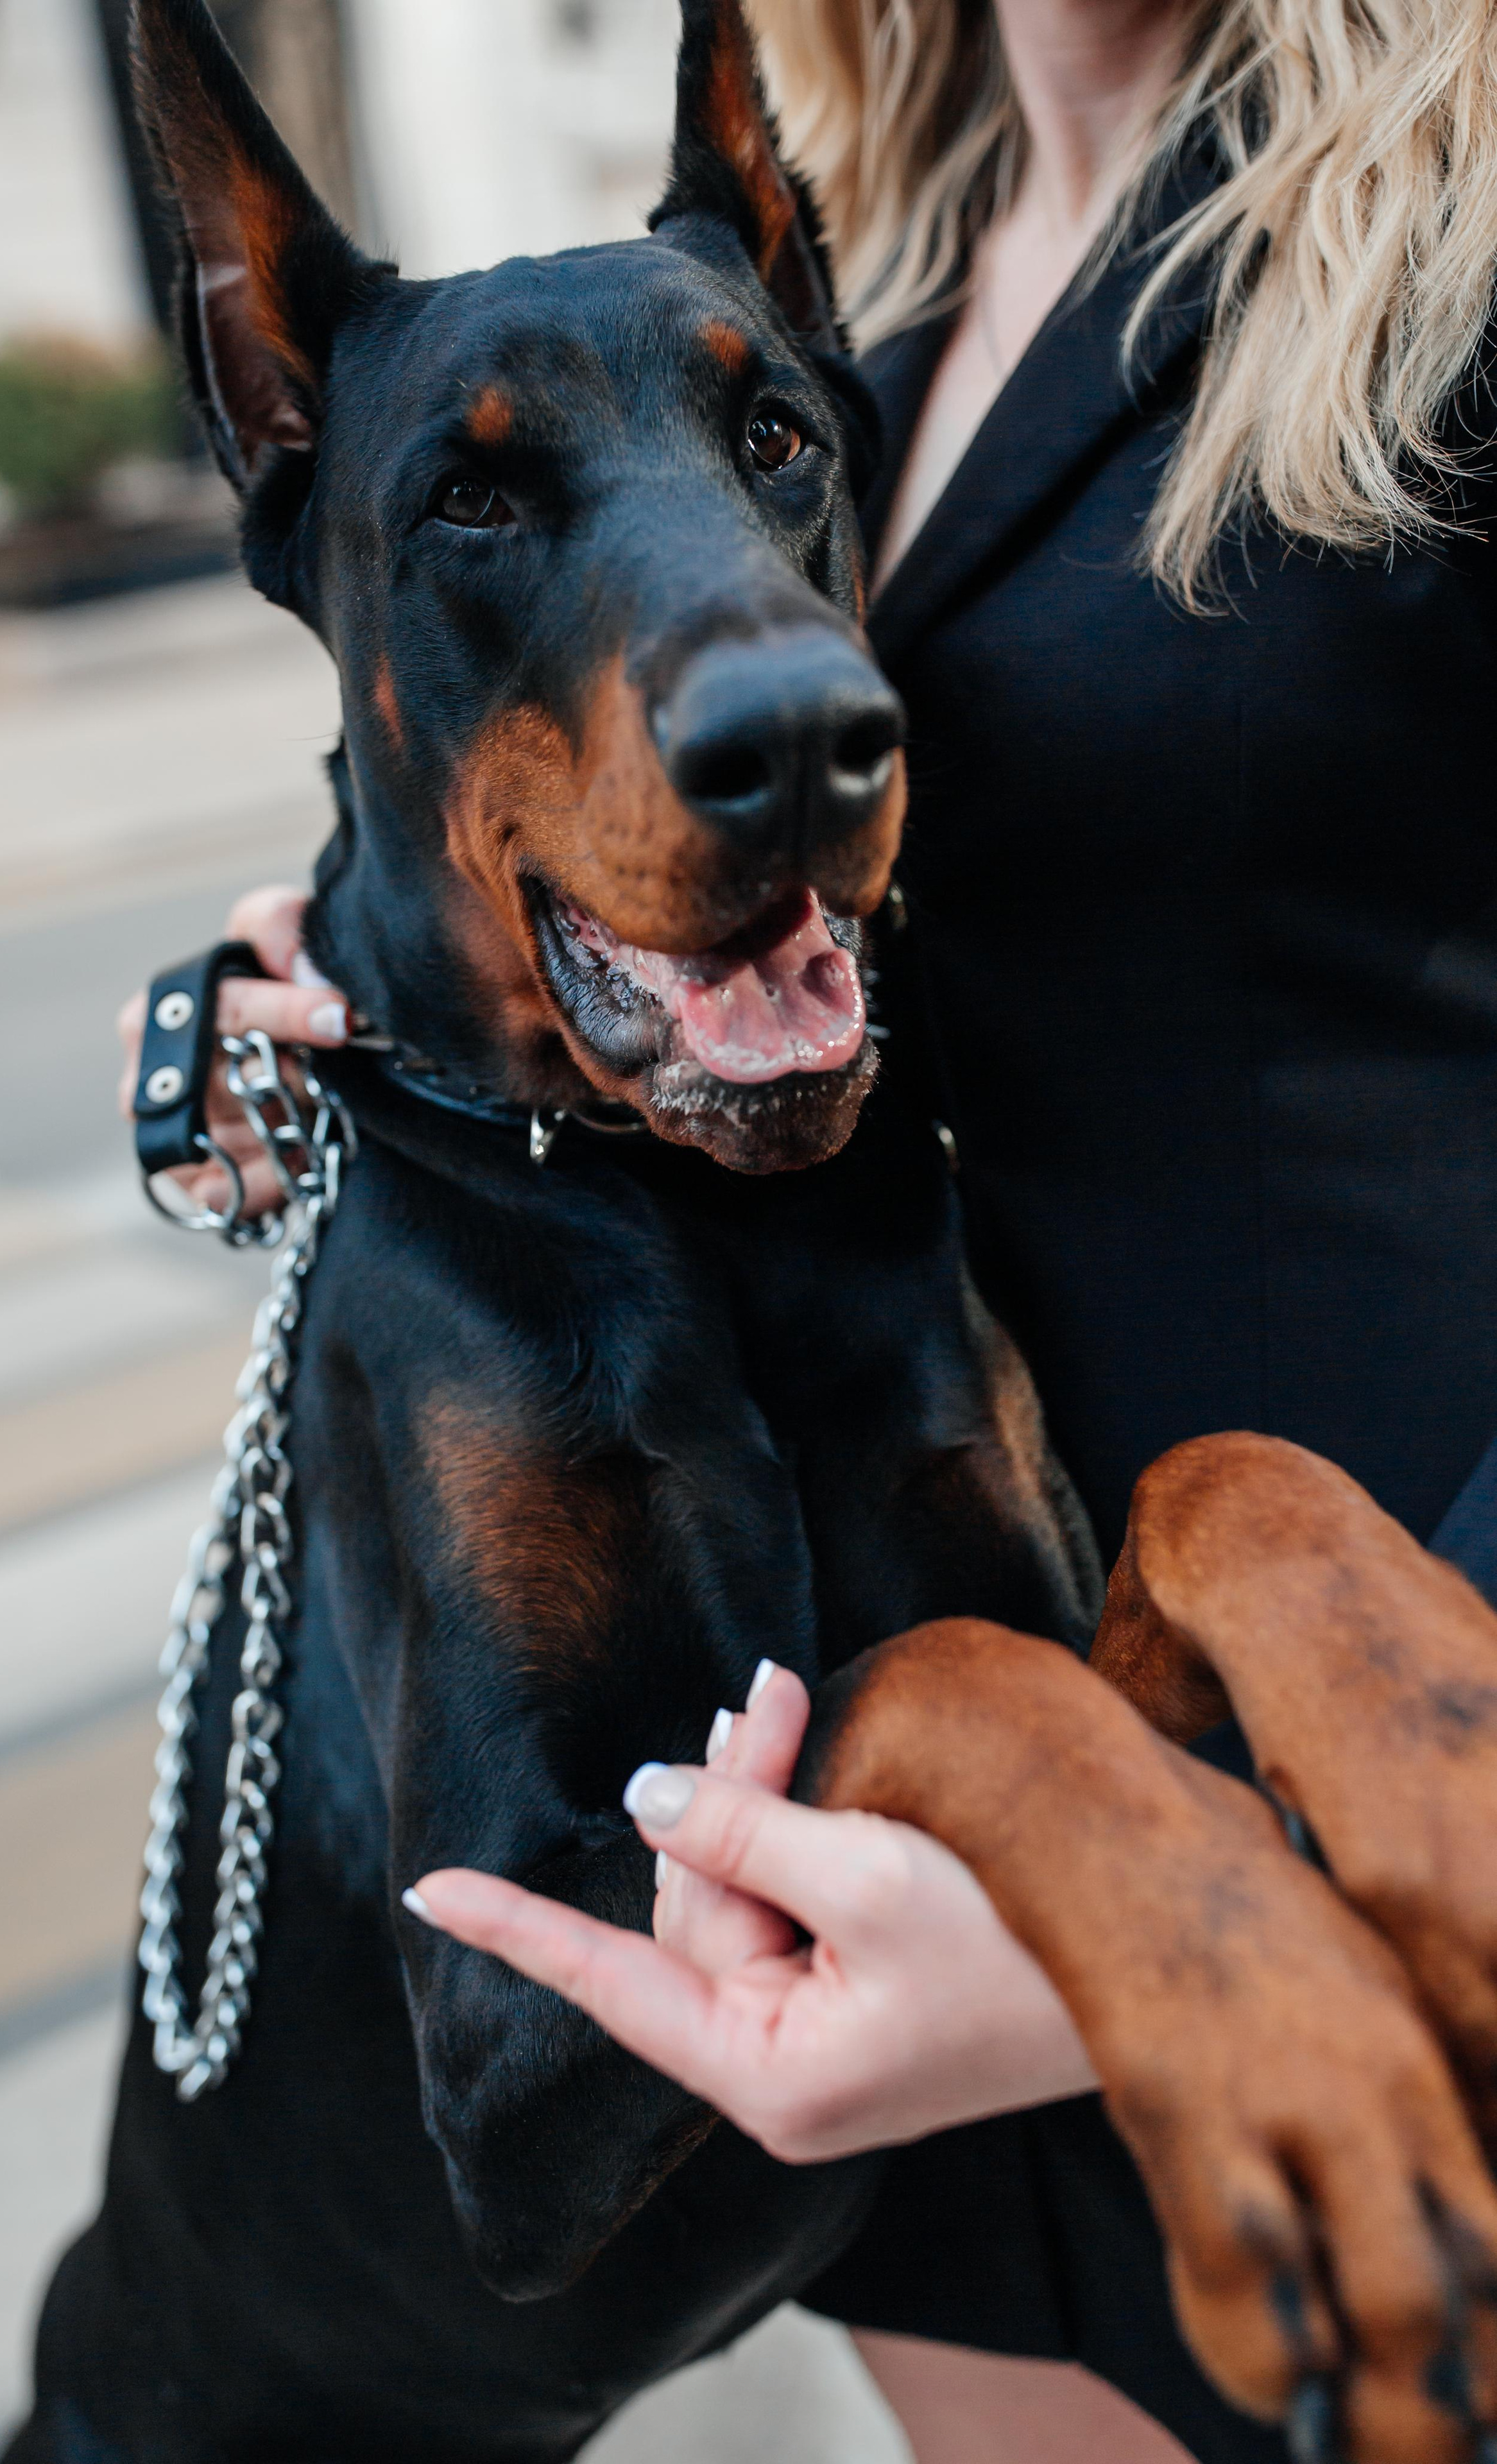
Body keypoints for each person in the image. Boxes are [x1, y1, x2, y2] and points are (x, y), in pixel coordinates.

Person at [120, 0, 1497, 2447]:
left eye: (774, 459)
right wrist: (312, 975)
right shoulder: (867, 288)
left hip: (1351, 1806)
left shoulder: (1453, 202)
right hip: (961, 2061)